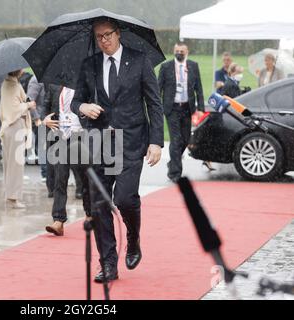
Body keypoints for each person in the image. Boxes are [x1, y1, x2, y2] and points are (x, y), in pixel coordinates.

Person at [71, 19, 164, 283]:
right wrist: (83, 107)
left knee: (124, 199)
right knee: (100, 204)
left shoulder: (140, 61)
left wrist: (156, 141)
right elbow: (76, 100)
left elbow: (154, 105)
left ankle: (133, 239)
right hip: (100, 143)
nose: (104, 40)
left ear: (118, 34)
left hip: (132, 142)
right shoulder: (89, 65)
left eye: (108, 35)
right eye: (99, 36)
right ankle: (108, 263)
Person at [44, 86, 91, 236]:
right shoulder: (55, 87)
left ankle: (90, 213)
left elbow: (95, 107)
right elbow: (46, 107)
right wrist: (45, 119)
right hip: (61, 137)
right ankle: (58, 220)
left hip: (81, 136)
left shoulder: (87, 85)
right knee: (60, 178)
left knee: (85, 179)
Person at [158, 42, 205, 182]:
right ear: (173, 51)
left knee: (185, 139)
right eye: (177, 50)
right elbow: (158, 88)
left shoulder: (193, 66)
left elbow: (199, 89)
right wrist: (156, 107)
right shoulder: (166, 67)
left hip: (187, 108)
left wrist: (201, 109)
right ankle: (175, 174)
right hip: (172, 108)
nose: (179, 53)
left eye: (182, 51)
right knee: (176, 139)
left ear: (187, 52)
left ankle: (173, 162)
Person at [0, 69, 36, 209]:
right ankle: (13, 198)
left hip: (7, 126)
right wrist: (28, 105)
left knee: (9, 164)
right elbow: (14, 108)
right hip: (15, 126)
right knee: (16, 164)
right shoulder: (14, 86)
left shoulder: (5, 84)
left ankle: (9, 195)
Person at [27, 75, 47, 181]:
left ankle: (48, 173)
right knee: (42, 146)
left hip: (49, 116)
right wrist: (36, 118)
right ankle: (45, 173)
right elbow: (29, 100)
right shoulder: (36, 80)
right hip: (40, 118)